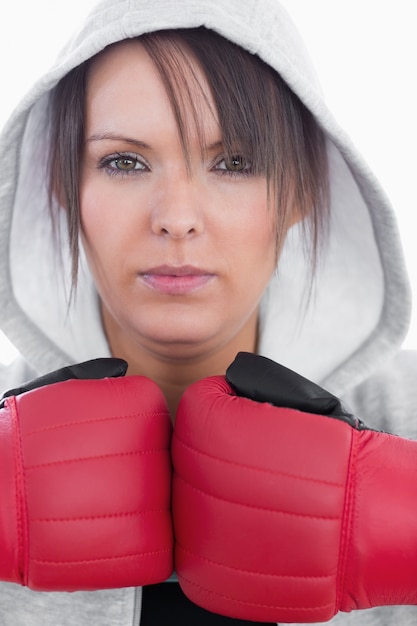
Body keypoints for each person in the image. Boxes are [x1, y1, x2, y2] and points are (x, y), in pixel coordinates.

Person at [0, 1, 416, 625]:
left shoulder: (403, 418)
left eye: (235, 163)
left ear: (302, 192)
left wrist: (398, 522)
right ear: (64, 188)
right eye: (124, 162)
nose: (176, 216)